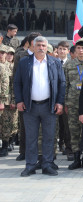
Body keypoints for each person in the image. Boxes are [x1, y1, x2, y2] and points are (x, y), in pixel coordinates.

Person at [14, 36, 65, 177]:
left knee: (49, 137)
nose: (41, 48)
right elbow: (17, 83)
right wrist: (19, 100)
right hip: (30, 107)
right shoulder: (25, 63)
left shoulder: (55, 62)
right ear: (33, 46)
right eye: (38, 45)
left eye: (43, 45)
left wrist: (60, 102)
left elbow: (62, 83)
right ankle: (30, 165)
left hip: (49, 106)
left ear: (47, 47)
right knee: (31, 137)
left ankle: (47, 164)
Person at [64, 38, 83, 170]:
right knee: (74, 132)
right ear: (75, 49)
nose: (81, 50)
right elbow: (65, 85)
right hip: (72, 104)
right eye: (78, 48)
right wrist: (65, 102)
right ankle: (76, 158)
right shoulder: (68, 65)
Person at [13, 32, 40, 162]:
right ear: (29, 43)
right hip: (25, 96)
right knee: (24, 125)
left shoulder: (42, 56)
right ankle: (23, 151)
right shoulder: (20, 56)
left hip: (40, 96)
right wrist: (18, 98)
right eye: (35, 43)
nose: (38, 46)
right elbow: (16, 78)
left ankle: (38, 152)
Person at [56, 41, 72, 159]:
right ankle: (58, 144)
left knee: (67, 125)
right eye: (60, 49)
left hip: (67, 99)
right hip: (55, 98)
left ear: (68, 51)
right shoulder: (52, 62)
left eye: (64, 49)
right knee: (56, 125)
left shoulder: (71, 64)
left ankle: (68, 147)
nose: (62, 51)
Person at [0, 45, 11, 157]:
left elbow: (5, 84)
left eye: (2, 52)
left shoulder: (3, 67)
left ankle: (5, 146)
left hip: (1, 99)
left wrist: (3, 100)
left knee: (5, 124)